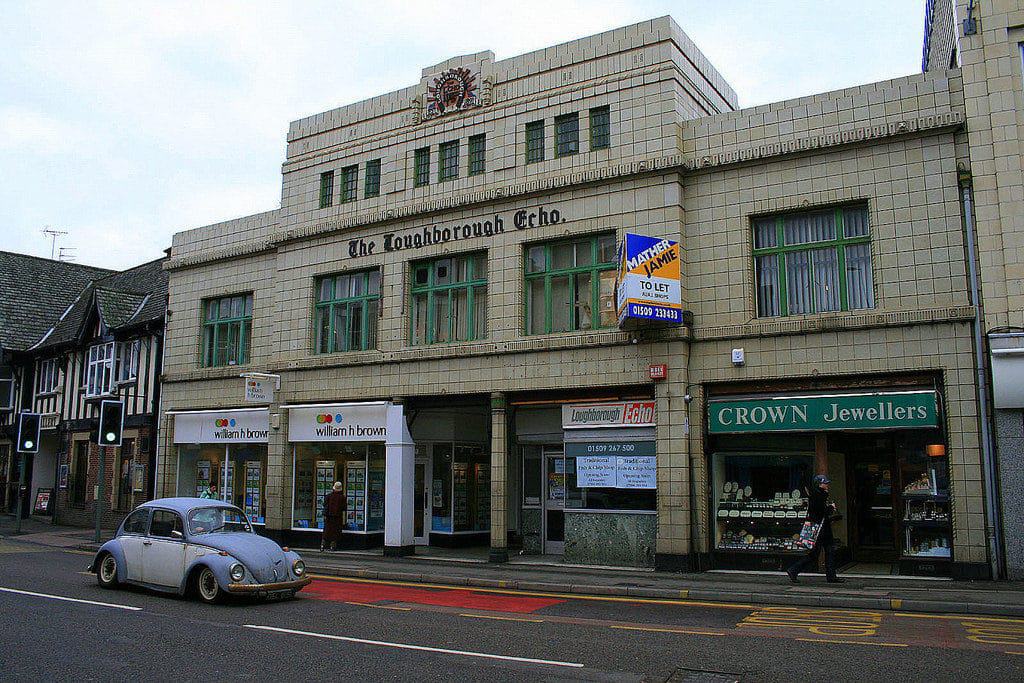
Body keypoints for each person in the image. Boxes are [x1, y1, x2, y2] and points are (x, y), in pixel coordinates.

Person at [787, 474, 843, 584]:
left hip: (822, 528)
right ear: (819, 484)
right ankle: (794, 569)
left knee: (827, 551)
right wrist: (831, 507)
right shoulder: (818, 495)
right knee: (817, 553)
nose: (827, 485)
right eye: (825, 483)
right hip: (819, 529)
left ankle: (831, 576)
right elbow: (821, 511)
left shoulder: (820, 494)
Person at [321, 481, 346, 552]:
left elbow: (324, 504)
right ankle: (332, 546)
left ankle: (322, 545)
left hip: (328, 516)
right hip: (337, 517)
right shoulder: (342, 497)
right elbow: (344, 508)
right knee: (335, 532)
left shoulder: (328, 496)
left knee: (326, 531)